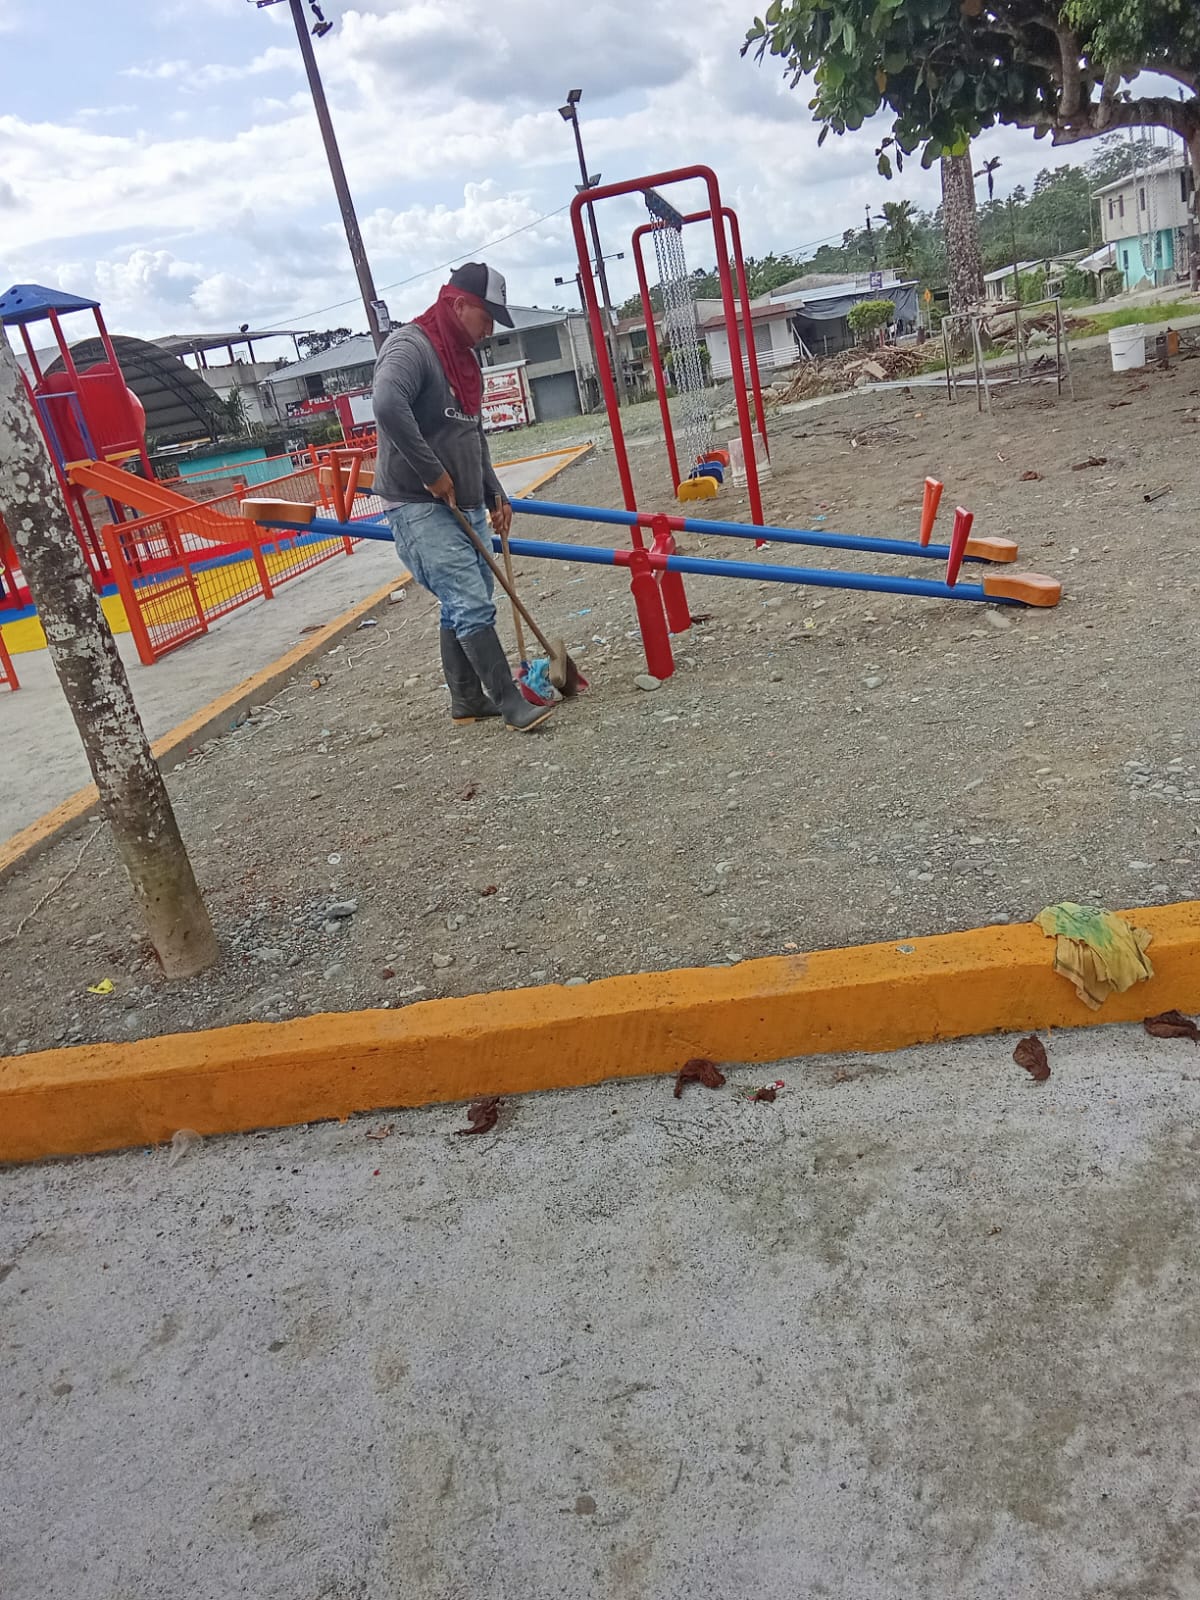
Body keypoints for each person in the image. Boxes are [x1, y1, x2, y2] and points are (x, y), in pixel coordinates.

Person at [373, 262, 553, 733]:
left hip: (465, 499)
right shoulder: (412, 347)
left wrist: (496, 493)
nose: (489, 330)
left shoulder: (466, 363)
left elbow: (471, 432)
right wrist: (431, 472)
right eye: (485, 317)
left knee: (468, 597)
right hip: (417, 502)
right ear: (458, 305)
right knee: (470, 601)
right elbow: (387, 404)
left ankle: (467, 698)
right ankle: (510, 702)